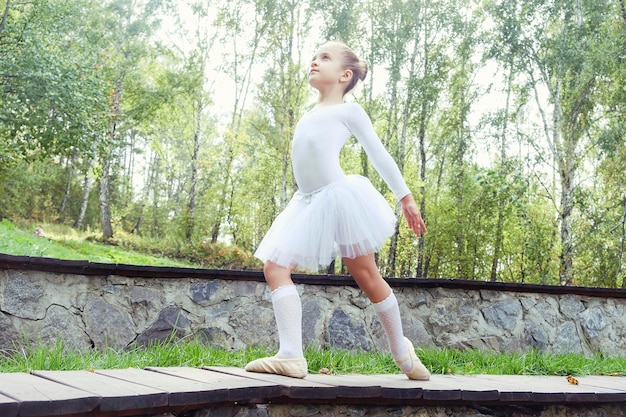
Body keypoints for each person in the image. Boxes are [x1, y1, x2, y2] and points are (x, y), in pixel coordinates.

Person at [245, 41, 430, 381]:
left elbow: (378, 154)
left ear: (345, 75)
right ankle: (290, 356)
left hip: (339, 197)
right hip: (306, 201)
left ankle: (402, 351)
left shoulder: (349, 112)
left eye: (324, 58)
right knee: (274, 267)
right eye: (314, 57)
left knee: (366, 275)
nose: (314, 61)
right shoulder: (309, 114)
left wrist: (405, 197)